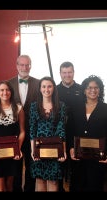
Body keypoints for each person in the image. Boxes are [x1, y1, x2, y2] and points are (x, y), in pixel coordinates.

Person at [67, 75, 107, 191]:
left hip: (98, 158)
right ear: (84, 90)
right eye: (89, 88)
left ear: (100, 90)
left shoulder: (105, 109)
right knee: (77, 185)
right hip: (78, 156)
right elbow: (70, 130)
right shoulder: (76, 108)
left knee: (95, 185)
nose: (93, 90)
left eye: (96, 87)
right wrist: (70, 148)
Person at [0, 80, 25, 191]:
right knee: (0, 188)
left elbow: (22, 131)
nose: (5, 92)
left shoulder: (19, 108)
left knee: (9, 186)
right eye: (2, 90)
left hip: (12, 154)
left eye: (7, 90)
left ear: (11, 92)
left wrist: (18, 149)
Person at [29, 76, 67, 191]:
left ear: (54, 88)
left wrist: (63, 151)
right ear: (40, 89)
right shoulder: (34, 106)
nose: (47, 89)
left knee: (54, 182)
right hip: (38, 148)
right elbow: (32, 130)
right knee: (40, 180)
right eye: (44, 86)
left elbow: (61, 130)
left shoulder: (61, 106)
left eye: (49, 86)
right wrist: (33, 151)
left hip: (55, 149)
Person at [8, 54, 39, 192]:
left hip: (33, 131)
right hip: (15, 131)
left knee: (31, 163)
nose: (24, 67)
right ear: (17, 65)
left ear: (30, 66)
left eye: (27, 65)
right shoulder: (8, 84)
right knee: (15, 163)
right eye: (22, 64)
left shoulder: (39, 84)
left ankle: (29, 189)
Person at [56, 61, 82, 191]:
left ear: (73, 72)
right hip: (59, 133)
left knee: (76, 165)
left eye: (69, 72)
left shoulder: (82, 89)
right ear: (60, 73)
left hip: (77, 132)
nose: (67, 75)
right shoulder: (54, 90)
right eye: (64, 72)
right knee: (60, 164)